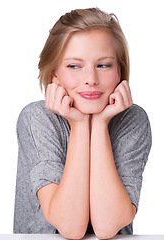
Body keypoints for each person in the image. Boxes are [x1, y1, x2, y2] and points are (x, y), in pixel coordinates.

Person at [14, 7, 152, 239]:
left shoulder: (133, 120)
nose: (91, 80)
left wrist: (99, 124)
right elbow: (71, 227)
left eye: (104, 65)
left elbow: (108, 226)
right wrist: (79, 126)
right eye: (74, 66)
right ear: (54, 74)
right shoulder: (37, 118)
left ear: (120, 71)